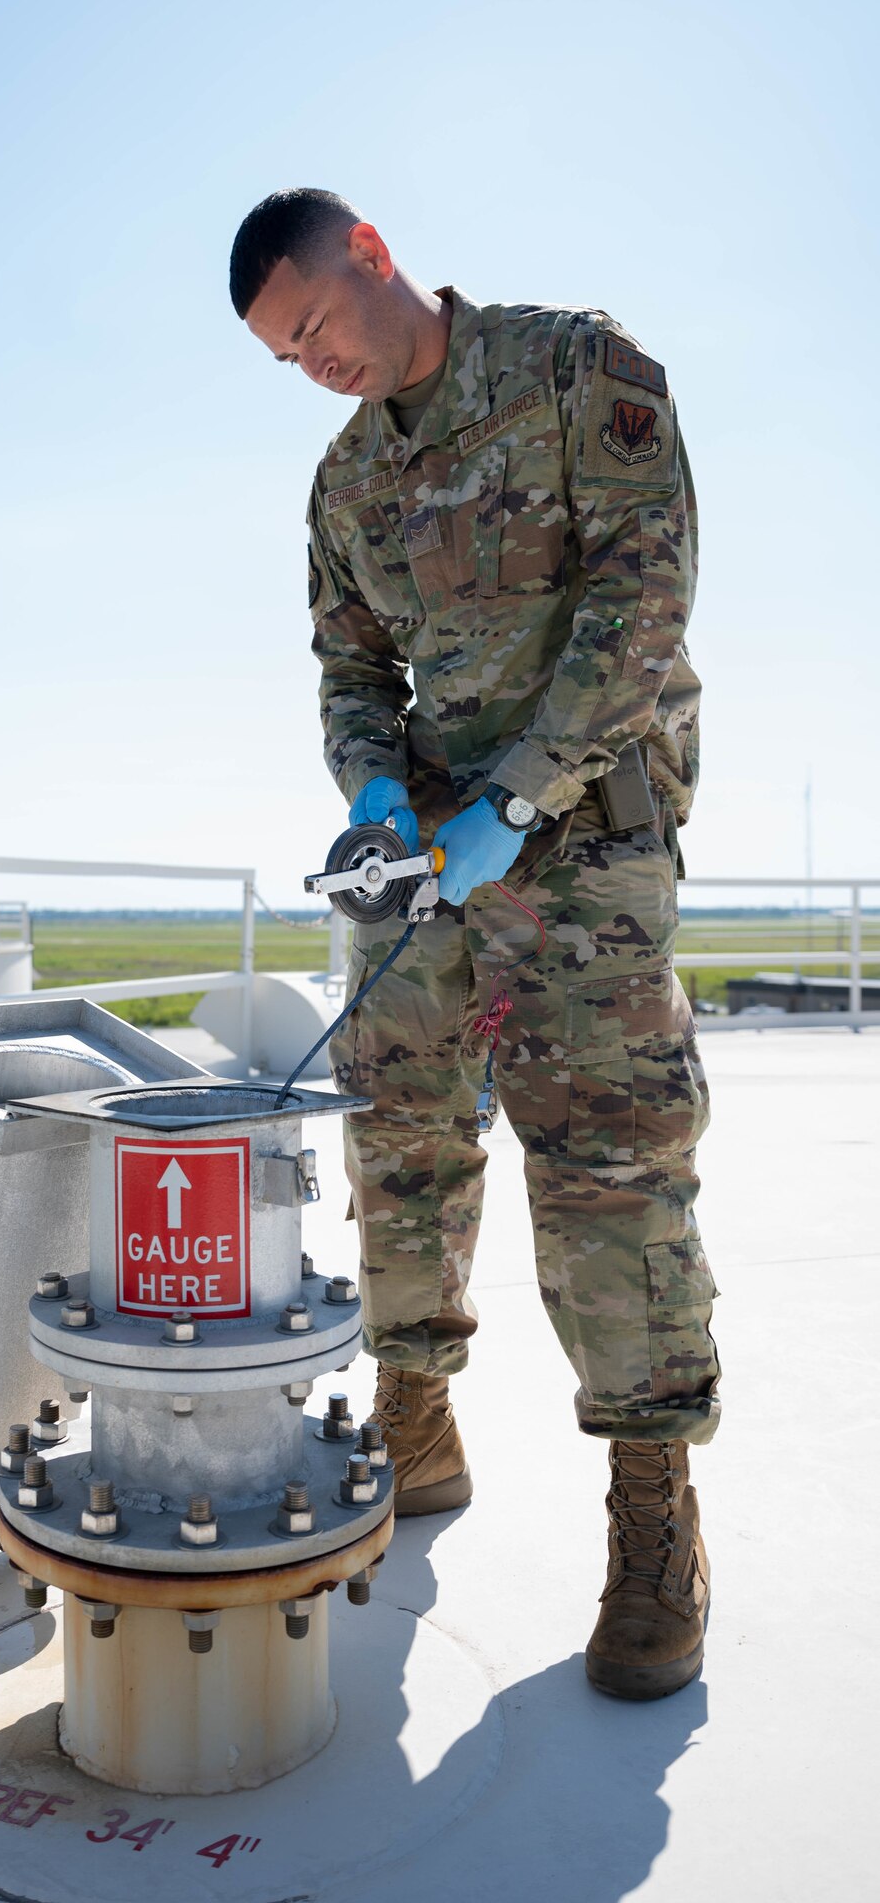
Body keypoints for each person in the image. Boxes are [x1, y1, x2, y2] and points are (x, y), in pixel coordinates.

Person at [230, 188, 717, 1701]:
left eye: (310, 324)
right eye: (279, 354)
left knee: (608, 1174)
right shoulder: (341, 481)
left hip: (578, 847)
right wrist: (374, 788)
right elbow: (346, 661)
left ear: (368, 254)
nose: (309, 362)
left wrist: (516, 797)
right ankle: (414, 1414)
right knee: (403, 1141)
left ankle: (652, 1516)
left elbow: (640, 604)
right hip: (426, 869)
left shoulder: (578, 374)